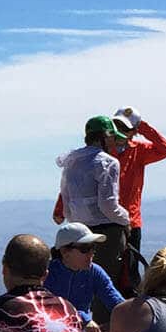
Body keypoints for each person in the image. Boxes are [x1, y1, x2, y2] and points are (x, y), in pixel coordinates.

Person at [55, 116, 133, 302]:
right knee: (106, 283)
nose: (114, 142)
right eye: (112, 137)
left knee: (79, 281)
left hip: (79, 231)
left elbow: (66, 199)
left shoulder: (72, 161)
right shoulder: (107, 162)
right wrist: (126, 219)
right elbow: (108, 205)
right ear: (104, 137)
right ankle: (106, 326)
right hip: (107, 231)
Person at [44, 223, 124, 332]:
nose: (91, 253)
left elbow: (114, 299)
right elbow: (53, 307)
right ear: (65, 251)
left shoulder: (94, 271)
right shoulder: (48, 273)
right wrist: (85, 319)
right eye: (85, 249)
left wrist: (130, 312)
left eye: (93, 247)